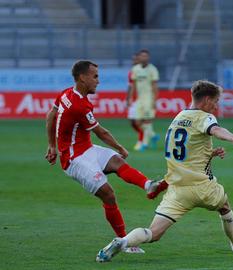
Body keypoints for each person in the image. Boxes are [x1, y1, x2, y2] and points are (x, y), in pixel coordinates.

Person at [96, 80, 233, 262]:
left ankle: (123, 242)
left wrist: (210, 153)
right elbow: (216, 130)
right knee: (225, 207)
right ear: (206, 100)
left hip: (177, 190)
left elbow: (185, 152)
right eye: (215, 102)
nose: (216, 107)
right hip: (202, 187)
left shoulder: (178, 118)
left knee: (154, 233)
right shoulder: (204, 117)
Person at [45, 60, 168, 253]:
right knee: (109, 195)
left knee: (117, 163)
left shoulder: (66, 93)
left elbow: (51, 115)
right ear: (82, 78)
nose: (98, 81)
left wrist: (52, 145)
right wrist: (121, 147)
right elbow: (101, 132)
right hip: (74, 159)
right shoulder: (80, 106)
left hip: (86, 149)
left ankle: (148, 185)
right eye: (95, 76)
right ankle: (123, 242)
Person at [131, 49, 160, 151]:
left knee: (147, 121)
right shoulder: (135, 69)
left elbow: (155, 86)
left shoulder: (153, 69)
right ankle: (153, 135)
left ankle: (144, 144)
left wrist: (155, 100)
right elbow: (133, 85)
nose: (144, 58)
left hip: (149, 99)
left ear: (148, 57)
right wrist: (131, 97)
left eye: (146, 56)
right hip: (139, 99)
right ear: (139, 57)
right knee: (138, 122)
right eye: (142, 56)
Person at [126, 53, 144, 151]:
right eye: (133, 60)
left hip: (141, 100)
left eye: (136, 59)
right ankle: (148, 134)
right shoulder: (131, 72)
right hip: (133, 100)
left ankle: (140, 142)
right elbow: (130, 86)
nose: (134, 61)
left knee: (138, 121)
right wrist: (128, 98)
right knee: (132, 122)